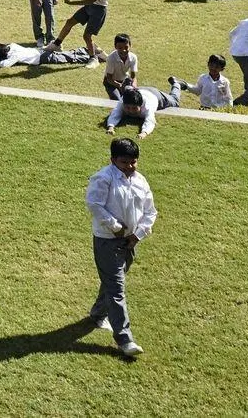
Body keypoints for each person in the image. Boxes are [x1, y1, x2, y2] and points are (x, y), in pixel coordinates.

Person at [84, 136, 156, 359]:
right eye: (125, 162)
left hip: (129, 242)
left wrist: (138, 234)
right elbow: (94, 204)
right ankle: (125, 339)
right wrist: (114, 227)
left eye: (134, 162)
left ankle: (97, 314)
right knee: (117, 288)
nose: (130, 166)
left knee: (112, 282)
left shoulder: (140, 181)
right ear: (113, 160)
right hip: (107, 241)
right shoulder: (103, 178)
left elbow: (150, 211)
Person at [169, 55, 234, 110]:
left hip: (218, 110)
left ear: (222, 69)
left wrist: (229, 109)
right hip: (204, 108)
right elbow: (197, 91)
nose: (213, 68)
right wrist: (186, 85)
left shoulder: (225, 81)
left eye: (217, 67)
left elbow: (228, 97)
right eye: (211, 65)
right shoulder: (203, 78)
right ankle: (179, 84)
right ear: (208, 64)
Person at [101, 34, 140, 98]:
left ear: (130, 46)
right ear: (115, 47)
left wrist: (134, 85)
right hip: (110, 83)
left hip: (124, 81)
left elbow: (133, 76)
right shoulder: (111, 58)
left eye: (126, 47)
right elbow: (109, 78)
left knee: (128, 99)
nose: (123, 50)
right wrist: (120, 85)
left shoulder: (133, 57)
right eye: (120, 48)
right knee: (116, 99)